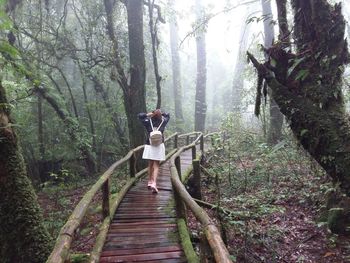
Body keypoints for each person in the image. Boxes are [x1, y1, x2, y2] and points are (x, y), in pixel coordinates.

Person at [138, 109, 170, 193]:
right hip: (159, 145)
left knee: (150, 164)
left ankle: (149, 181)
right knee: (156, 165)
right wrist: (161, 113)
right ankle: (154, 183)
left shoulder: (148, 121)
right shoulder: (163, 121)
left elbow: (140, 115)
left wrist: (149, 114)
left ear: (152, 115)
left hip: (150, 145)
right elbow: (168, 115)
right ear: (160, 115)